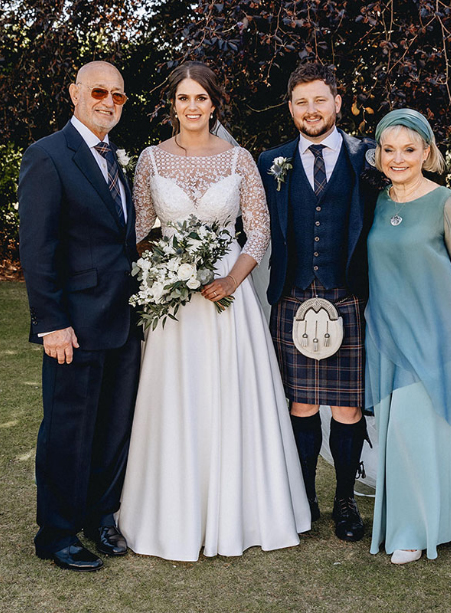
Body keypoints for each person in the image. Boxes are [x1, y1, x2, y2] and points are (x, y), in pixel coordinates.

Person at [117, 62, 310, 562]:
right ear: (172, 106)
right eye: (183, 99)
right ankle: (169, 514)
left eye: (200, 98)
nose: (192, 107)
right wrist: (168, 269)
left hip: (228, 297)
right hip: (175, 303)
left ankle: (240, 513)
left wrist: (231, 278)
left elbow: (259, 230)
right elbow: (140, 231)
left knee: (230, 395)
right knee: (176, 398)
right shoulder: (150, 161)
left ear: (214, 104)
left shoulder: (239, 159)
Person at [364, 108, 451, 564]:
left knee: (433, 431)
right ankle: (423, 522)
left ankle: (417, 530)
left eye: (409, 149)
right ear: (379, 153)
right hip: (389, 337)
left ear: (427, 151)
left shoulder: (446, 202)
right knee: (402, 436)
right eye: (389, 150)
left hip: (440, 337)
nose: (398, 158)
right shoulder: (379, 201)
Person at [18, 61, 141, 571]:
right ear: (74, 93)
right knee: (69, 430)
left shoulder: (116, 161)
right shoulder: (47, 155)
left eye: (118, 95)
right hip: (74, 325)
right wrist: (51, 322)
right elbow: (37, 247)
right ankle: (58, 533)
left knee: (113, 427)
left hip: (124, 321)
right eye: (98, 91)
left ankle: (100, 517)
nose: (108, 101)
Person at [257, 63, 378, 542]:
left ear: (337, 103)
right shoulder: (271, 162)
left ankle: (344, 501)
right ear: (290, 108)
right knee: (302, 405)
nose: (311, 110)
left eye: (319, 100)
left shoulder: (366, 156)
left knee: (347, 409)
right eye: (301, 101)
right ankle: (303, 497)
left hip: (347, 297)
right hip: (292, 296)